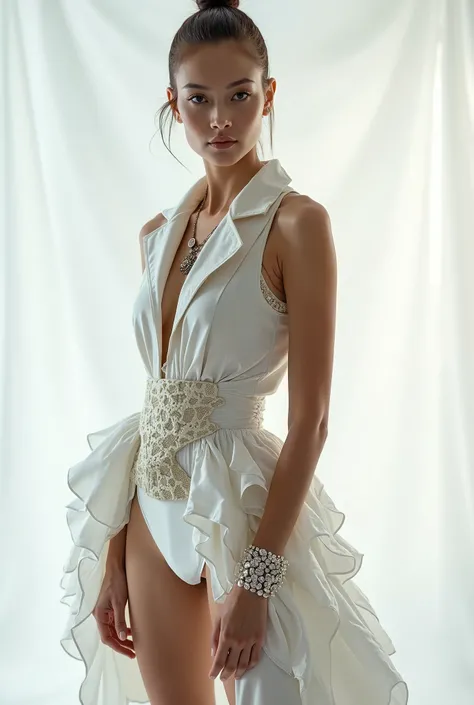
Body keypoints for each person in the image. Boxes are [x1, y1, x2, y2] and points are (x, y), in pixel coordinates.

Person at [60, 1, 409, 704]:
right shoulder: (156, 235)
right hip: (150, 514)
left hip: (243, 513)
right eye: (199, 100)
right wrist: (112, 556)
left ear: (268, 95)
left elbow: (311, 420)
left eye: (240, 96)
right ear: (173, 103)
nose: (220, 119)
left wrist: (258, 580)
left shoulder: (298, 225)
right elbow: (157, 398)